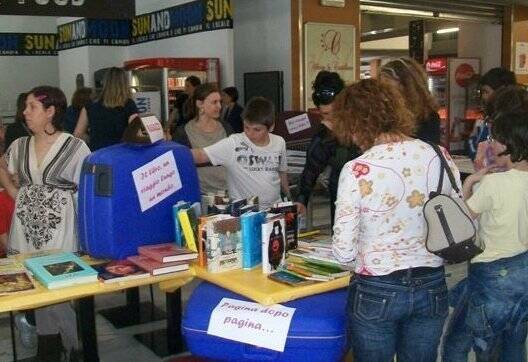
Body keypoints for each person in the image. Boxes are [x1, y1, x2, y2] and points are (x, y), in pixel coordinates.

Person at [331, 79, 461, 362]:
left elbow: (343, 251)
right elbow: (456, 211)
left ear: (354, 122)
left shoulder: (356, 170)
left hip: (376, 287)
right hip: (432, 282)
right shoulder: (439, 155)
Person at [0, 86, 90, 360]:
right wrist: (17, 194)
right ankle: (49, 346)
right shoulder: (19, 145)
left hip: (60, 225)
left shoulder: (76, 147)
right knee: (34, 283)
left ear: (50, 112)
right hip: (25, 225)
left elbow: (87, 188)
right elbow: (4, 167)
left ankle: (76, 345)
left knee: (60, 283)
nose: (24, 112)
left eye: (32, 107)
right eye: (25, 106)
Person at [442, 87, 528, 362]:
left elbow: (459, 226)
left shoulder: (492, 184)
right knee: (513, 344)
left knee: (466, 342)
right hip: (523, 274)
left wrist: (468, 184)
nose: (489, 142)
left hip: (491, 275)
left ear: (507, 145)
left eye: (493, 138)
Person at [191, 96, 291, 210]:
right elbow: (200, 155)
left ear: (271, 127)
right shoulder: (233, 143)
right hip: (245, 211)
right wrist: (171, 151)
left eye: (257, 129)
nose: (250, 134)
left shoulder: (279, 142)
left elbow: (282, 172)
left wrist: (289, 197)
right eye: (246, 127)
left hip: (275, 208)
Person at [296, 71, 361, 221]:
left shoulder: (363, 123)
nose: (330, 119)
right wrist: (302, 198)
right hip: (341, 190)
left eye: (334, 113)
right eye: (324, 114)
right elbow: (311, 167)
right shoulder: (323, 135)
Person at [172, 83, 232, 195]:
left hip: (228, 192)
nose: (219, 106)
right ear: (200, 104)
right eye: (214, 102)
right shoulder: (183, 132)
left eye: (220, 102)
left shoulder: (226, 128)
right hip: (198, 194)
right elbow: (180, 165)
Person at [379, 57, 441, 144]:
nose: (386, 95)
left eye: (390, 88)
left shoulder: (428, 117)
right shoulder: (384, 113)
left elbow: (428, 148)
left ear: (407, 87)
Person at [74, 67, 138, 151]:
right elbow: (136, 130)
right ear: (125, 84)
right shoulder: (129, 105)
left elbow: (77, 134)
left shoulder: (90, 105)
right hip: (120, 153)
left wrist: (93, 137)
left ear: (105, 82)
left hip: (97, 154)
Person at [466, 67, 516, 161]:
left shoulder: (510, 122)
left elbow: (479, 155)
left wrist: (473, 137)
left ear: (501, 92)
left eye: (486, 92)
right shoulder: (486, 119)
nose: (484, 97)